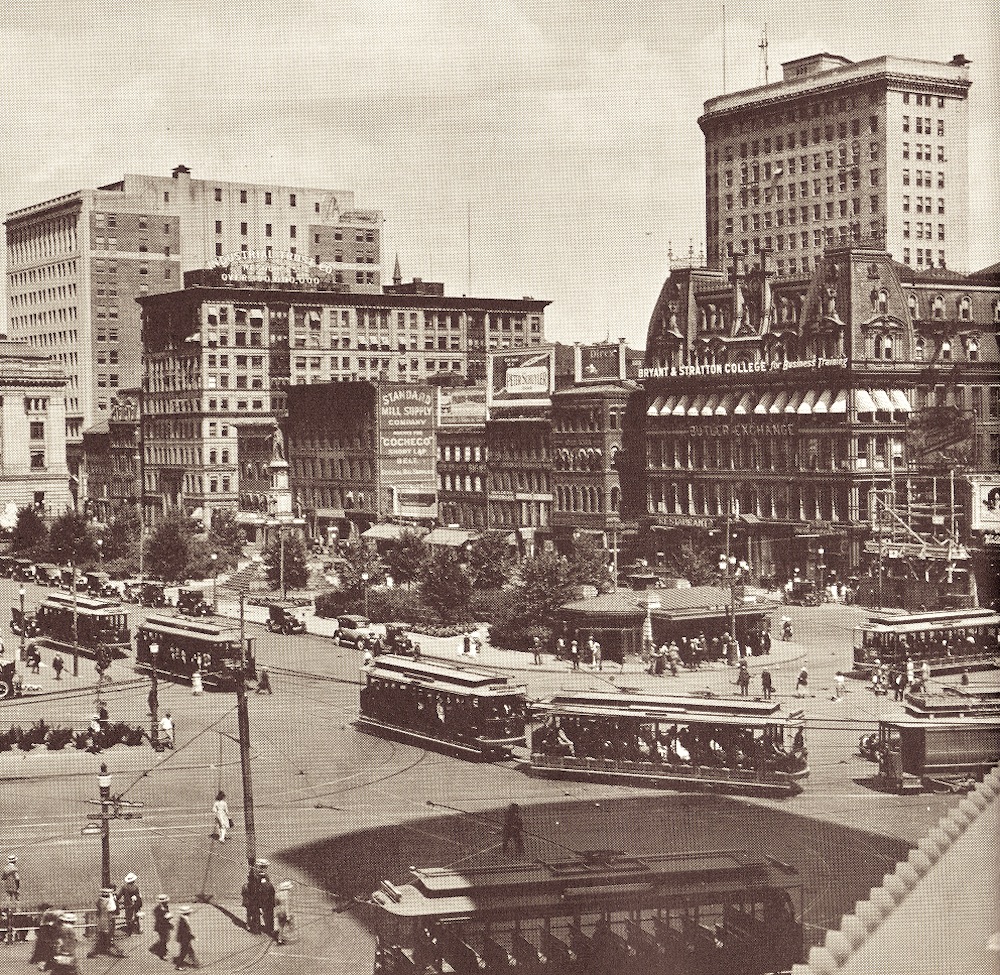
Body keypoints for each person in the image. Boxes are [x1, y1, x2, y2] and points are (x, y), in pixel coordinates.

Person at [88, 887, 125, 958]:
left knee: (101, 938)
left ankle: (93, 952)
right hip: (107, 922)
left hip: (101, 922)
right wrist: (112, 897)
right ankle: (117, 952)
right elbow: (114, 908)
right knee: (109, 938)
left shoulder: (100, 901)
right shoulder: (109, 901)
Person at [30, 904, 62, 968]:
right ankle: (42, 959)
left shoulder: (46, 914)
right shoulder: (43, 915)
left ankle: (44, 958)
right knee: (44, 945)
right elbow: (41, 924)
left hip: (46, 931)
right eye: (48, 908)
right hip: (44, 931)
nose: (49, 910)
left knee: (43, 945)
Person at [174, 905, 199, 969]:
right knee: (184, 952)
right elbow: (186, 932)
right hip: (184, 939)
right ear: (187, 913)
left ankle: (195, 963)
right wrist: (193, 937)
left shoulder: (183, 918)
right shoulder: (183, 921)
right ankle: (179, 965)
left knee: (190, 951)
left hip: (184, 938)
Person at [150, 894, 173, 959]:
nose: (166, 902)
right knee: (163, 939)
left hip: (165, 925)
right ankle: (162, 953)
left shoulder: (166, 906)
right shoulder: (157, 909)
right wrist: (165, 918)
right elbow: (159, 918)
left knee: (166, 938)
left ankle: (162, 949)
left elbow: (167, 914)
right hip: (160, 926)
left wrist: (168, 919)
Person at [274, 880, 294, 945]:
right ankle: (280, 939)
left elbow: (276, 904)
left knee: (281, 925)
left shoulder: (277, 894)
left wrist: (276, 913)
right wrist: (288, 916)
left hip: (279, 911)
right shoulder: (287, 894)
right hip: (284, 912)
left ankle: (280, 937)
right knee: (283, 926)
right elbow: (287, 905)